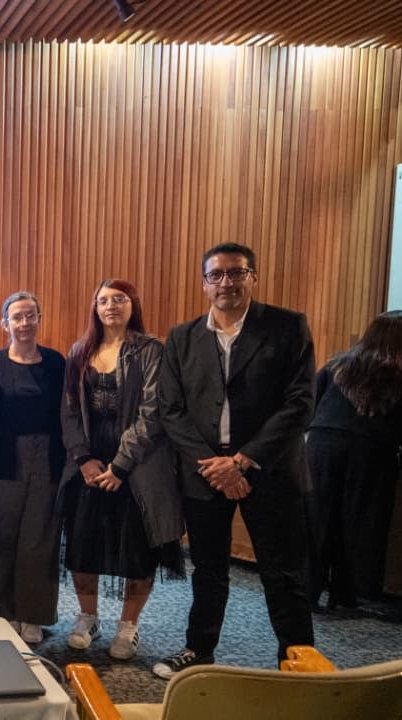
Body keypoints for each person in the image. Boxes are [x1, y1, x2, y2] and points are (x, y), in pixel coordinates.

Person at [157, 242, 316, 679]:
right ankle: (198, 648)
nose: (226, 282)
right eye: (216, 275)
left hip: (270, 469)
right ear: (204, 283)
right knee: (208, 569)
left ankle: (299, 660)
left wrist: (244, 461)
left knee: (283, 574)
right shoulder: (183, 337)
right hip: (205, 470)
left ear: (253, 277)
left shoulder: (287, 327)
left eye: (236, 273)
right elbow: (171, 410)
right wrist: (214, 464)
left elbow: (300, 403)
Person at [59, 280, 183, 661]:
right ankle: (88, 618)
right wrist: (82, 457)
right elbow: (69, 411)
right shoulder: (80, 351)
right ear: (94, 308)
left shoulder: (150, 350)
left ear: (133, 305)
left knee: (137, 551)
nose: (111, 306)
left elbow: (153, 413)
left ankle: (128, 627)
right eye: (103, 300)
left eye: (119, 299)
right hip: (90, 466)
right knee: (83, 546)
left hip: (137, 466)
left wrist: (121, 465)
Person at [0, 291, 66, 645]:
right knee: (3, 537)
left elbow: (66, 412)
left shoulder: (56, 362)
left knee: (40, 538)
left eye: (31, 315)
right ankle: (4, 612)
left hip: (46, 456)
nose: (24, 323)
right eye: (17, 317)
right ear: (5, 324)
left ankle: (33, 614)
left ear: (38, 320)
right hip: (3, 457)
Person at [305, 311, 402, 610]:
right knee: (357, 522)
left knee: (318, 518)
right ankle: (346, 594)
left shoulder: (337, 364)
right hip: (370, 450)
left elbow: (311, 403)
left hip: (322, 443)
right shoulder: (396, 371)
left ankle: (308, 591)